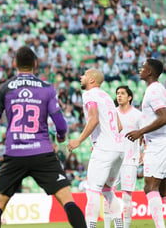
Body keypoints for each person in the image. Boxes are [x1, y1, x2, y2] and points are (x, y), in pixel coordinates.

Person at [0, 47, 86, 228]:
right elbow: (61, 124)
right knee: (67, 200)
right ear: (35, 64)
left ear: (15, 64)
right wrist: (61, 136)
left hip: (14, 154)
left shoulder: (4, 88)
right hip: (42, 153)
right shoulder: (47, 89)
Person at [67, 69, 124, 228]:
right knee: (108, 191)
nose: (80, 77)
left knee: (92, 191)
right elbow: (119, 125)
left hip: (105, 149)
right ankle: (119, 226)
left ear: (91, 80)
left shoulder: (89, 95)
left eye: (84, 75)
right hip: (118, 149)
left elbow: (93, 119)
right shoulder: (106, 96)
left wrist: (78, 140)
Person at [125, 59, 166, 228]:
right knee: (162, 189)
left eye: (143, 67)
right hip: (157, 141)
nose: (140, 69)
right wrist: (144, 131)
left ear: (150, 72)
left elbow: (164, 116)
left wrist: (140, 132)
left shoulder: (155, 90)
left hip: (159, 143)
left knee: (150, 187)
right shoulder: (155, 89)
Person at [103, 86, 142, 228]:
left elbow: (144, 134)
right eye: (117, 93)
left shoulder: (138, 115)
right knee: (108, 193)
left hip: (130, 159)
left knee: (126, 196)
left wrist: (143, 152)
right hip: (113, 159)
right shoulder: (112, 114)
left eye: (122, 93)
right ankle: (107, 226)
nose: (119, 96)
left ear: (129, 97)